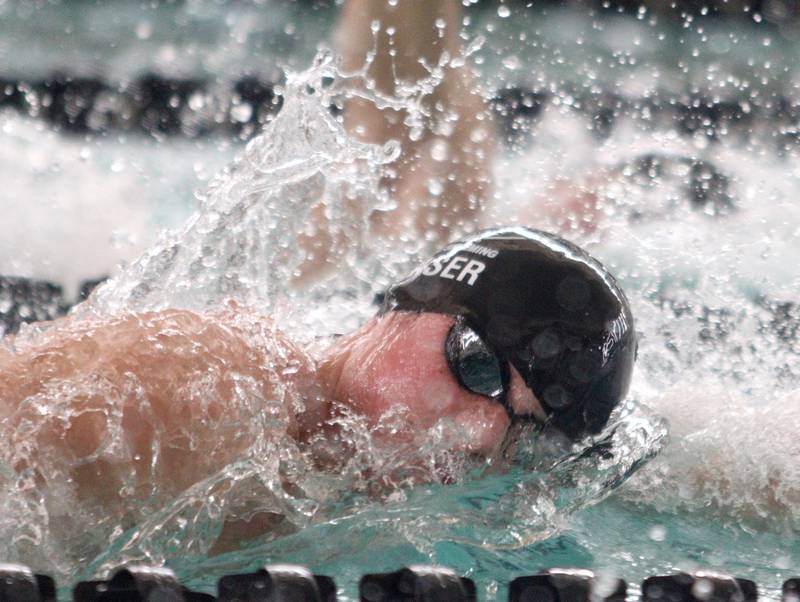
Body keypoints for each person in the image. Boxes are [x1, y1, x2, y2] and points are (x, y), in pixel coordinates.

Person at [0, 227, 636, 551]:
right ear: (403, 309)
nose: (475, 433)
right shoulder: (214, 387)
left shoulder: (331, 490)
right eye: (475, 367)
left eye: (518, 432)